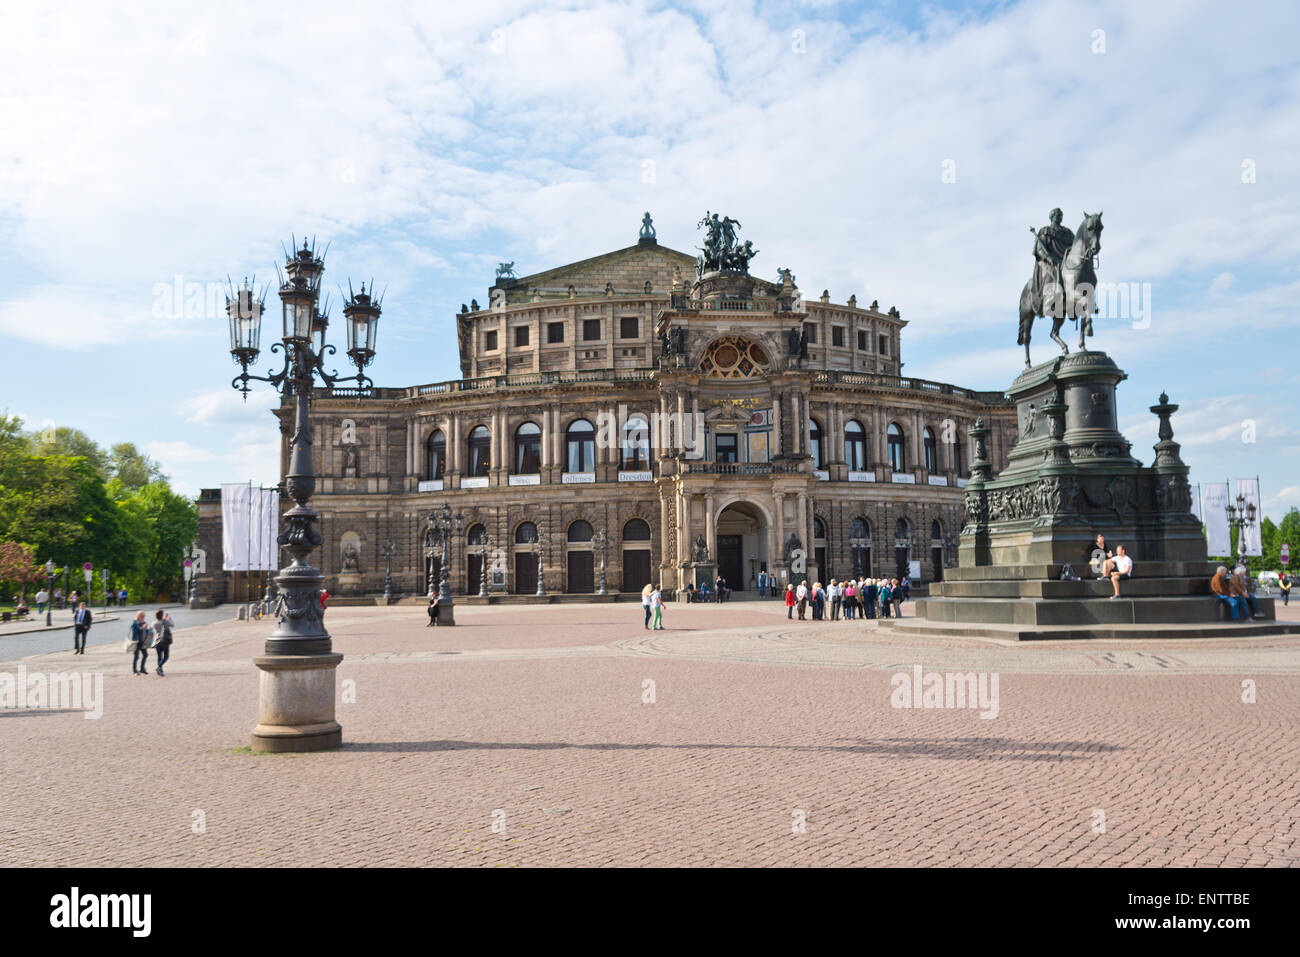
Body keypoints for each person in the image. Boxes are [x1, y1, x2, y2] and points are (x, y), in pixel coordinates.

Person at [153, 609, 174, 676]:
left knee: (159, 656)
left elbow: (159, 626)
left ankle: (160, 670)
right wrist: (169, 618)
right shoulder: (166, 621)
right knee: (166, 656)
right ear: (162, 615)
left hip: (157, 641)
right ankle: (159, 667)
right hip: (165, 640)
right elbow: (172, 625)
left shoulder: (154, 623)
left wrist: (164, 619)